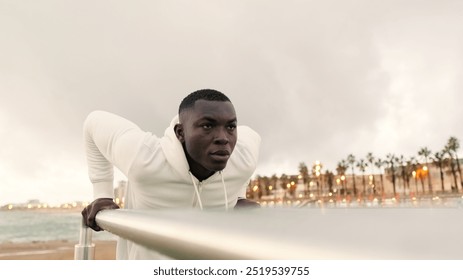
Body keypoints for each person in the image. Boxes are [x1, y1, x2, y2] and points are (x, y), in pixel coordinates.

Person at [81, 89, 261, 259]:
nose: (223, 138)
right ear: (180, 132)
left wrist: (239, 195)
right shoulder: (144, 158)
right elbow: (93, 122)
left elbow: (252, 136)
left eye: (230, 127)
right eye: (207, 126)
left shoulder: (242, 157)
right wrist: (102, 194)